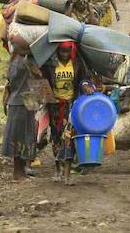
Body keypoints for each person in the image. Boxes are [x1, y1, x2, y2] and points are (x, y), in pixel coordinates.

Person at [2, 49, 43, 181]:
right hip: (22, 101)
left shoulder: (14, 60)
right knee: (20, 138)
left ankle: (21, 172)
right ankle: (17, 173)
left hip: (22, 100)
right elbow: (37, 75)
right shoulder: (25, 61)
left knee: (24, 136)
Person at [45, 42, 79, 185]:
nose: (64, 54)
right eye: (62, 51)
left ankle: (67, 175)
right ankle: (58, 169)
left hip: (70, 106)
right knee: (56, 138)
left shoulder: (76, 64)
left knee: (69, 138)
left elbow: (82, 80)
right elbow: (44, 82)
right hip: (55, 107)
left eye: (67, 51)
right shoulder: (51, 65)